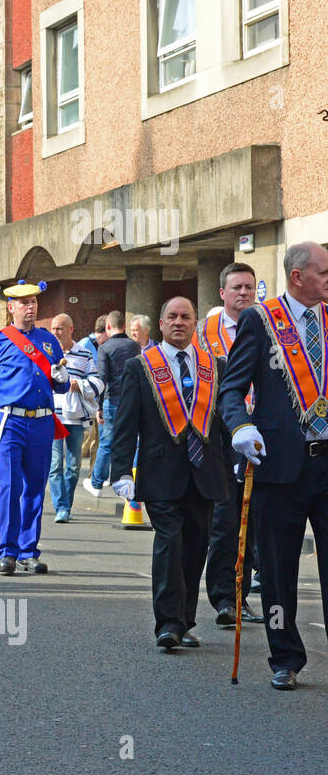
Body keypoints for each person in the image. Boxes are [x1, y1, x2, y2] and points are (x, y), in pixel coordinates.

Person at [218, 242, 328, 691]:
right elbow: (230, 389)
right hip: (279, 465)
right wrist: (240, 426)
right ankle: (285, 656)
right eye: (323, 272)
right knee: (279, 571)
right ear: (298, 276)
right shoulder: (260, 321)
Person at [110, 298, 230, 649]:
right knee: (169, 542)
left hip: (205, 473)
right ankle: (167, 624)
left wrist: (238, 455)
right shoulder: (140, 367)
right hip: (160, 472)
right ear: (160, 324)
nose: (179, 322)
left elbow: (221, 420)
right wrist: (121, 471)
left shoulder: (214, 367)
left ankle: (185, 620)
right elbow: (125, 422)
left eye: (186, 317)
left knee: (195, 548)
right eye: (172, 317)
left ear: (195, 324)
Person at [0, 282, 70, 576]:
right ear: (10, 307)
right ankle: (7, 552)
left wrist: (62, 377)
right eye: (23, 303)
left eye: (34, 302)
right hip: (10, 420)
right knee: (10, 486)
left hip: (41, 420)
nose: (30, 307)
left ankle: (28, 551)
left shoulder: (49, 340)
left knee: (35, 488)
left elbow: (57, 383)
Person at [196, 263, 263, 625]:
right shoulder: (203, 332)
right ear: (222, 293)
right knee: (224, 522)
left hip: (259, 435)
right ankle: (223, 598)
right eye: (236, 287)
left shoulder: (267, 325)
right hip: (219, 436)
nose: (243, 293)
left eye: (249, 287)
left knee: (250, 520)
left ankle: (241, 595)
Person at [49, 313, 104, 523]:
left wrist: (79, 385)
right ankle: (61, 507)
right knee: (55, 465)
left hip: (76, 418)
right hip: (53, 416)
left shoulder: (84, 354)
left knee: (73, 467)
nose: (56, 332)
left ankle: (66, 504)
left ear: (71, 329)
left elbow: (98, 382)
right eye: (54, 328)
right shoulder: (47, 354)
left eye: (60, 328)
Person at [85, 311, 140, 496]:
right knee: (133, 442)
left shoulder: (105, 348)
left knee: (107, 443)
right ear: (124, 326)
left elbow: (102, 379)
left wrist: (98, 407)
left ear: (108, 327)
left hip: (112, 400)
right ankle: (132, 482)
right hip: (132, 401)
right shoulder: (134, 346)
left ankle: (97, 483)